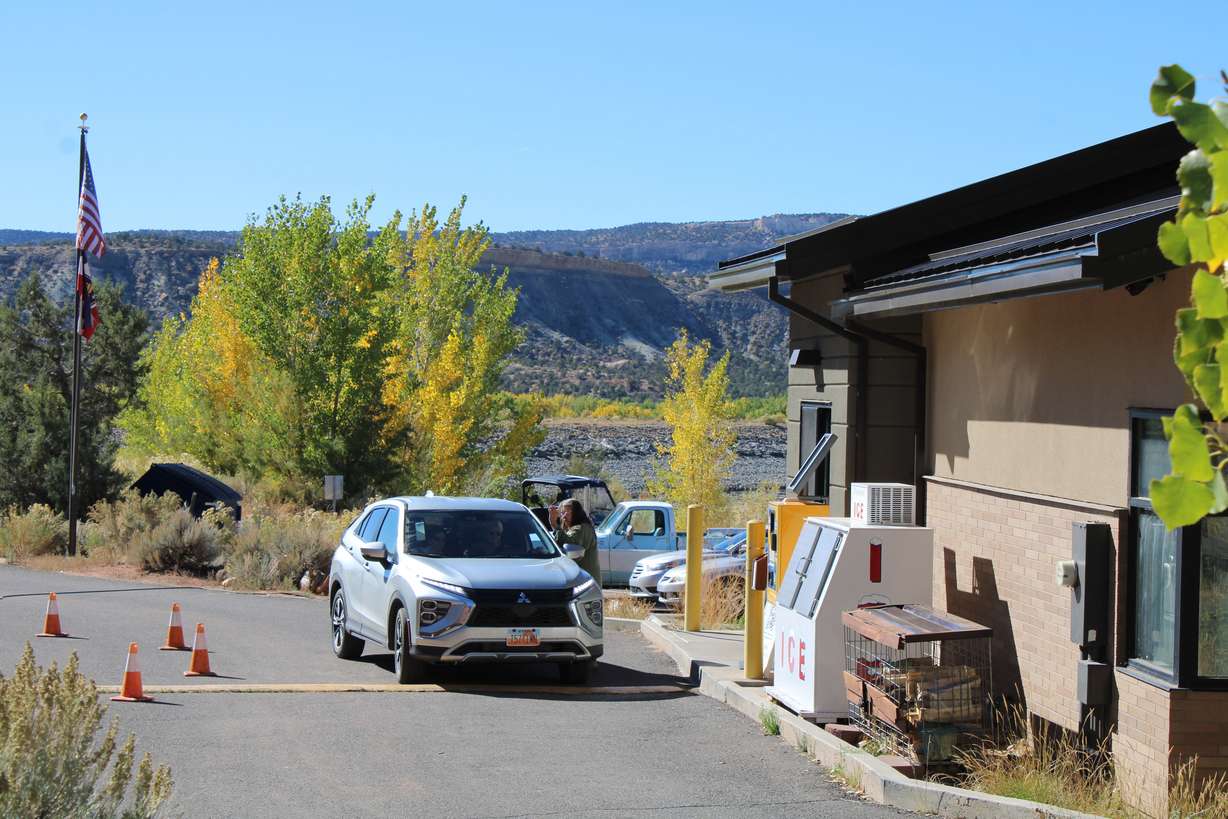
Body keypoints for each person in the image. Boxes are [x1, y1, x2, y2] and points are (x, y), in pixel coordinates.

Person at [550, 498, 601, 587]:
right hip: (580, 583)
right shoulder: (571, 529)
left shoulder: (582, 529)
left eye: (567, 512)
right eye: (562, 513)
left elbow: (569, 543)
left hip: (587, 586)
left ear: (576, 513)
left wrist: (554, 524)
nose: (564, 516)